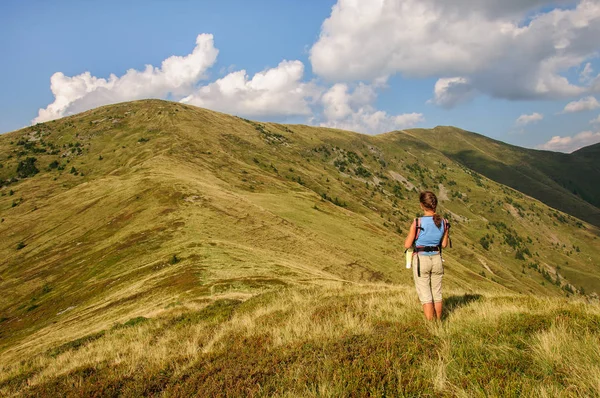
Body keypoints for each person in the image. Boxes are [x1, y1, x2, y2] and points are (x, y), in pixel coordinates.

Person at [404, 191, 450, 321]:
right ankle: (438, 322)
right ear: (435, 205)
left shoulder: (418, 222)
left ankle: (431, 325)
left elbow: (407, 244)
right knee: (437, 293)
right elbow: (444, 244)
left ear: (421, 205)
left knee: (425, 294)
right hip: (437, 259)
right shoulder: (445, 222)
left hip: (421, 260)